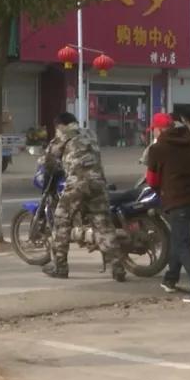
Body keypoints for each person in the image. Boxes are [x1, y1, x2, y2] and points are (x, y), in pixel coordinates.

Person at [41, 112, 125, 282]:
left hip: (78, 185)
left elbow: (48, 160)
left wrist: (48, 164)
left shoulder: (63, 136)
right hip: (99, 184)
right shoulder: (90, 134)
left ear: (60, 125)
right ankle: (118, 269)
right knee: (104, 226)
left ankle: (60, 267)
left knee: (61, 221)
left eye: (57, 127)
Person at [146, 111, 190, 303]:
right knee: (178, 239)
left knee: (183, 244)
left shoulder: (158, 149)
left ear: (160, 129)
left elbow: (152, 179)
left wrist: (161, 190)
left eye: (155, 130)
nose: (154, 133)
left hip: (177, 202)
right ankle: (170, 279)